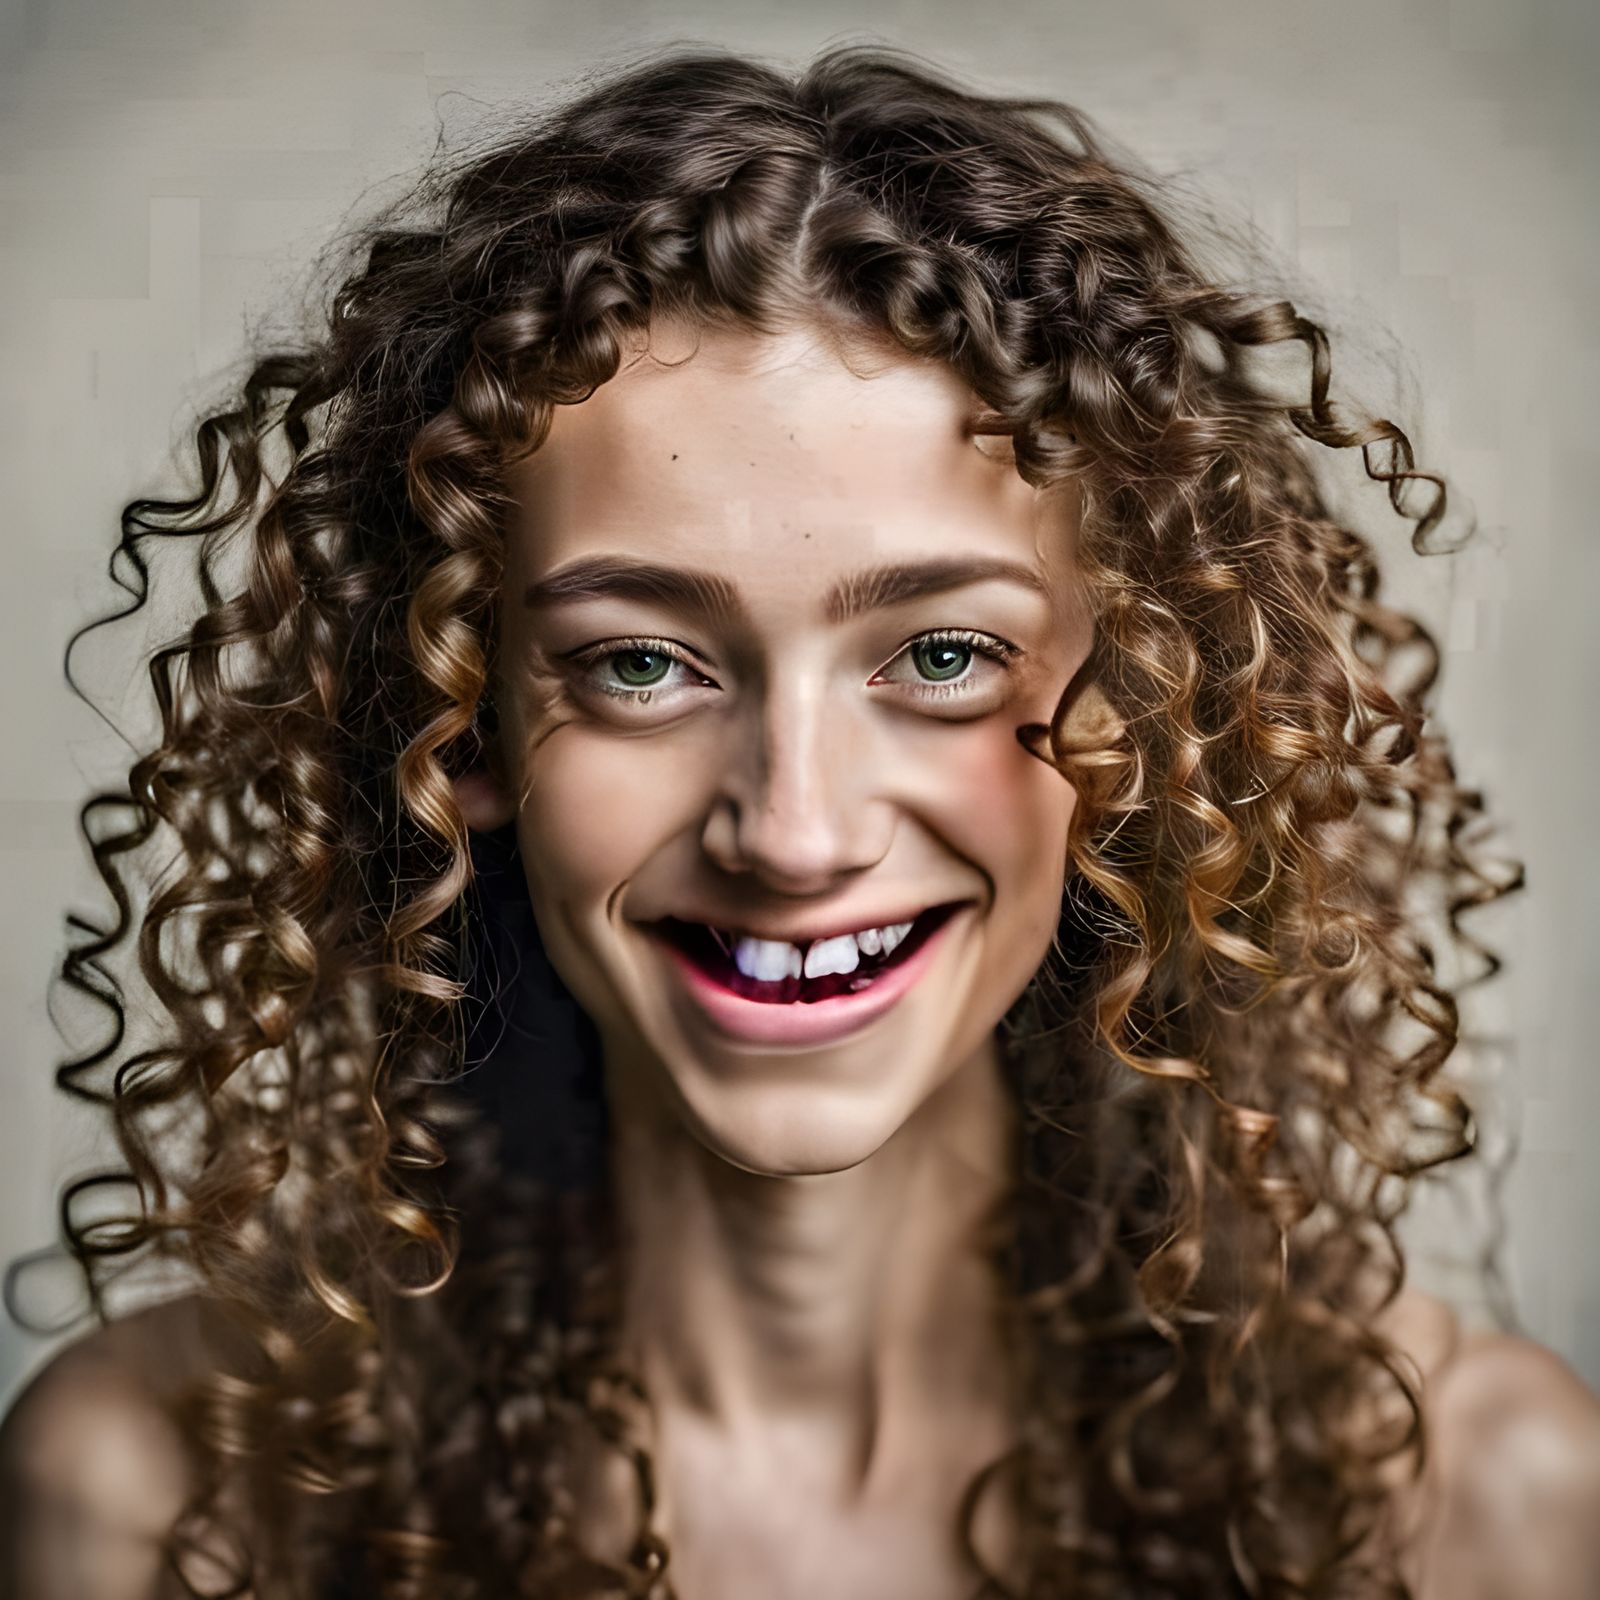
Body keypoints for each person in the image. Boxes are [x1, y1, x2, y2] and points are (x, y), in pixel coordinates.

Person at [1, 42, 1597, 1600]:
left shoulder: (1471, 1509)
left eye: (946, 655)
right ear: (455, 727)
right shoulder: (164, 1506)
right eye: (640, 663)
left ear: (1130, 720)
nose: (795, 831)